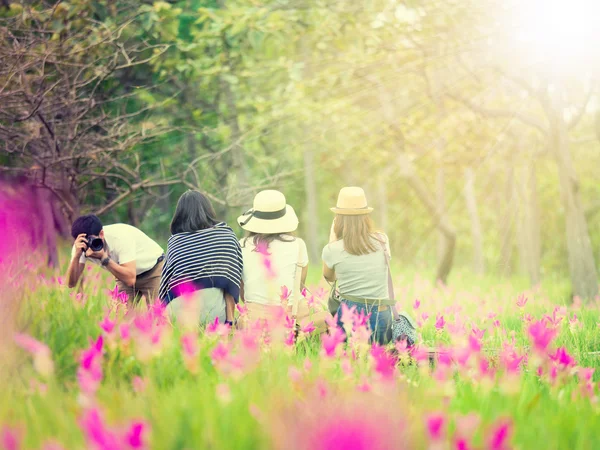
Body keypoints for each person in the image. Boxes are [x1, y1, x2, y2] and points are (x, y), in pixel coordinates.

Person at [237, 190, 327, 331]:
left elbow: (243, 292)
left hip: (255, 320)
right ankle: (297, 337)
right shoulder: (298, 245)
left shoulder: (241, 245)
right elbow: (299, 286)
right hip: (291, 318)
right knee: (326, 318)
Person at [158, 190, 242, 326]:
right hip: (214, 311)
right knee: (225, 281)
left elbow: (166, 282)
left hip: (179, 312)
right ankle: (229, 323)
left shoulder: (175, 241)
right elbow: (231, 280)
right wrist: (230, 321)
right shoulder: (226, 235)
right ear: (208, 210)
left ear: (180, 215)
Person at [322, 186, 393, 345]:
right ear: (366, 216)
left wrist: (333, 238)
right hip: (383, 319)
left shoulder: (332, 249)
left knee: (351, 359)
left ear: (338, 220)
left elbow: (329, 277)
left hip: (350, 319)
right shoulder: (382, 240)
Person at [67, 215, 165, 306]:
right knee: (121, 317)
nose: (90, 246)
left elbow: (130, 279)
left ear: (101, 234)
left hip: (153, 270)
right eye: (85, 242)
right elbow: (71, 283)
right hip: (123, 274)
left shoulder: (119, 237)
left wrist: (104, 258)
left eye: (93, 240)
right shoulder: (80, 247)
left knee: (158, 317)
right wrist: (77, 256)